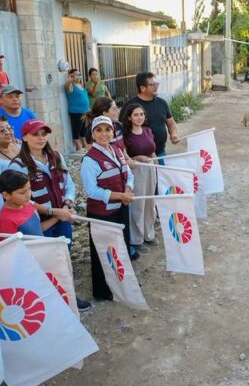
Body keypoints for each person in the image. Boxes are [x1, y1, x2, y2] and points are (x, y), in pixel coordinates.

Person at [9, 120, 94, 312]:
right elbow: (22, 200)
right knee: (42, 262)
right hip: (38, 222)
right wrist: (54, 212)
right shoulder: (18, 165)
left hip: (63, 217)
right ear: (24, 137)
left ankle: (68, 295)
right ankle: (45, 302)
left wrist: (68, 203)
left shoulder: (55, 157)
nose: (40, 138)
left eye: (43, 134)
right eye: (35, 134)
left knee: (63, 257)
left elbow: (69, 184)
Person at [82, 115, 136, 301]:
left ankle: (121, 282)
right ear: (92, 134)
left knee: (121, 245)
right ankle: (103, 291)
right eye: (99, 130)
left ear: (113, 132)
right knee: (103, 252)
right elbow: (92, 191)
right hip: (102, 213)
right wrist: (121, 196)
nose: (104, 134)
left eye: (108, 129)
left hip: (121, 208)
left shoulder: (117, 150)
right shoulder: (89, 160)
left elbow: (128, 174)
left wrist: (128, 189)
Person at [120, 102, 157, 247]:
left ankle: (149, 234)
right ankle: (137, 239)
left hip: (150, 168)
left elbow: (152, 150)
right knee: (138, 204)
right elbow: (124, 156)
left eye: (141, 114)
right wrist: (137, 158)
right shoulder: (126, 135)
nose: (139, 117)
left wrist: (157, 167)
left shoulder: (148, 130)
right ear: (129, 117)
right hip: (136, 171)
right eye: (135, 115)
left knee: (150, 202)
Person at [126, 71, 178, 158]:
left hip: (161, 153)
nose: (156, 87)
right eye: (152, 85)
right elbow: (122, 129)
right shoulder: (130, 105)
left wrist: (173, 134)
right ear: (142, 88)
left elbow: (170, 122)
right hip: (139, 159)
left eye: (156, 84)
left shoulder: (162, 103)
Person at [0, 170, 44, 238]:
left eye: (29, 189)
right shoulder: (5, 221)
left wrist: (57, 217)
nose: (28, 195)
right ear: (6, 195)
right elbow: (9, 247)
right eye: (22, 192)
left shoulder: (28, 204)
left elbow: (37, 230)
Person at [64, 68, 90, 152]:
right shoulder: (70, 85)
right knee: (77, 130)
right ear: (71, 76)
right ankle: (79, 148)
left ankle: (85, 146)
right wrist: (70, 79)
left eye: (79, 74)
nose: (79, 76)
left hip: (85, 111)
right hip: (76, 111)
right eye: (76, 74)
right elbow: (68, 86)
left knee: (84, 130)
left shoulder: (81, 85)